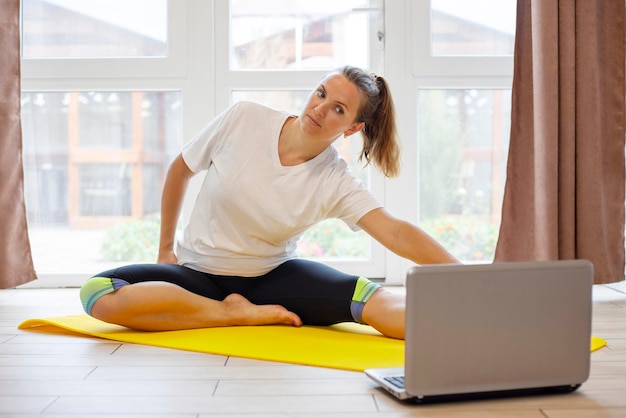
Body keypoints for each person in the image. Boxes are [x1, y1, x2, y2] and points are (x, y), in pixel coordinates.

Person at [79, 65, 459, 340]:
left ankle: (471, 328)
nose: (320, 109)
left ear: (353, 128)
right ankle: (228, 313)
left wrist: (466, 278)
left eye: (339, 110)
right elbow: (180, 170)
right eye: (321, 93)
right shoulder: (244, 118)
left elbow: (393, 231)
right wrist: (165, 250)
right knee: (98, 292)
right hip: (196, 274)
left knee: (377, 304)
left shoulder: (333, 179)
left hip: (274, 279)